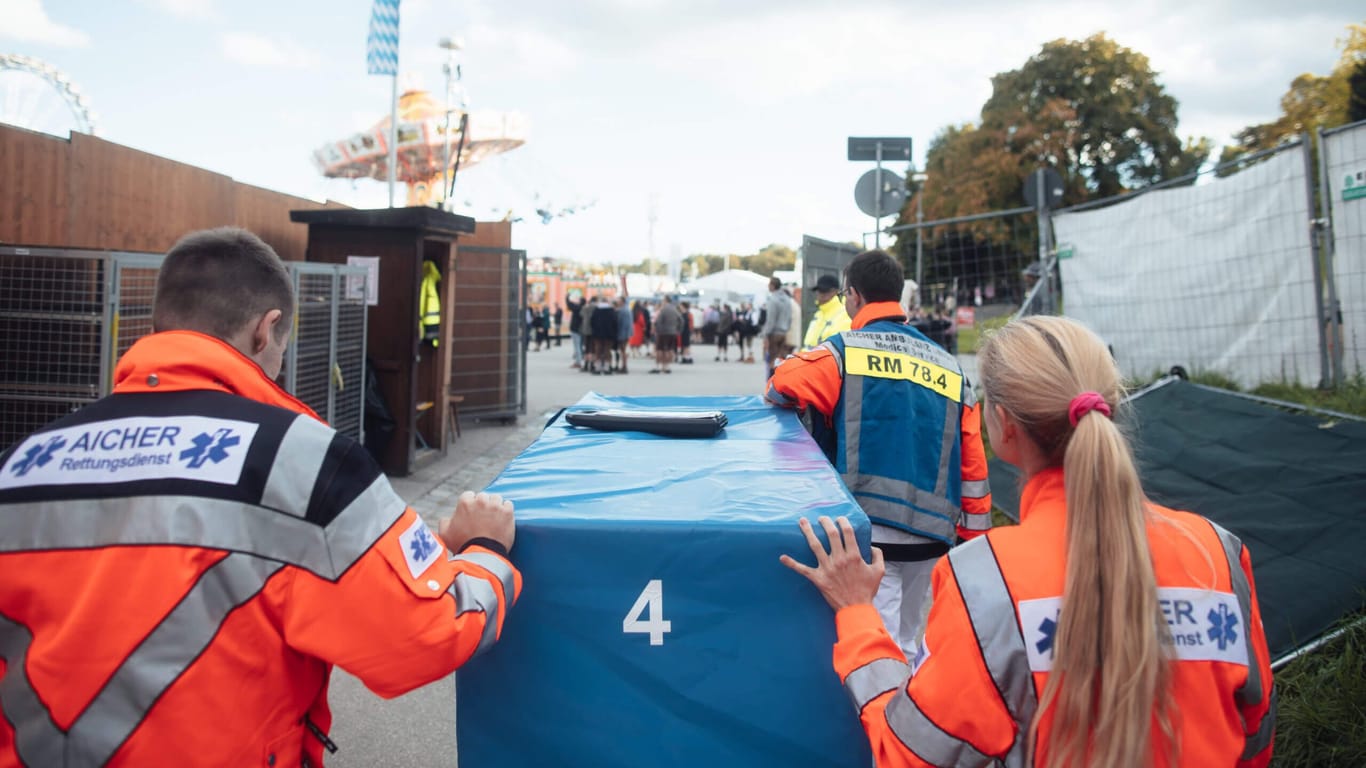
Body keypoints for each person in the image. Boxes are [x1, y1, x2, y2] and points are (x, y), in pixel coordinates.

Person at [0, 227, 521, 766]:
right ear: (266, 329)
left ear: (160, 323)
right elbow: (426, 635)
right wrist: (485, 550)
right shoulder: (306, 462)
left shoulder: (22, 464)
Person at [781, 315, 1276, 768]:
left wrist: (857, 612)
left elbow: (908, 754)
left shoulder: (985, 582)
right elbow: (1252, 736)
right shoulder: (1219, 552)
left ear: (1004, 425)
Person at [765, 250, 991, 657]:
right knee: (908, 639)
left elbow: (782, 385)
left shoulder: (845, 352)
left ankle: (884, 717)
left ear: (853, 296)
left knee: (878, 646)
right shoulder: (950, 366)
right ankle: (909, 709)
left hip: (871, 530)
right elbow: (973, 463)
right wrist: (973, 541)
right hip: (933, 535)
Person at [803, 273, 852, 350]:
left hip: (823, 360)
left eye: (824, 291)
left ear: (835, 292)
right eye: (818, 291)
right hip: (809, 359)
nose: (820, 294)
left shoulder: (845, 313)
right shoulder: (819, 313)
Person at [760, 276, 793, 378]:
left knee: (772, 361)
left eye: (769, 285)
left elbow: (771, 320)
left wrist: (765, 334)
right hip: (784, 332)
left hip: (773, 333)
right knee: (781, 360)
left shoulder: (773, 299)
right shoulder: (787, 299)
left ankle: (771, 383)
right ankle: (780, 383)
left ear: (773, 286)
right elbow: (789, 317)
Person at [652, 295, 682, 374]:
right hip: (672, 332)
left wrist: (658, 330)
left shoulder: (663, 309)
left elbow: (658, 321)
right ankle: (666, 367)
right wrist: (678, 330)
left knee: (660, 350)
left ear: (665, 301)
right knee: (669, 350)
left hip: (663, 332)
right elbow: (681, 320)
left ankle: (658, 367)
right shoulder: (674, 309)